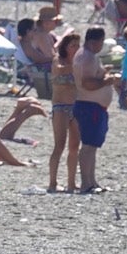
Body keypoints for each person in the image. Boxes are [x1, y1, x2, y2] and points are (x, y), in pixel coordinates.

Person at [72, 27, 115, 194]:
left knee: (92, 146)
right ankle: (86, 183)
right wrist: (107, 81)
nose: (101, 45)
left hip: (91, 106)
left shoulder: (86, 56)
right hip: (90, 106)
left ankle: (91, 181)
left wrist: (104, 73)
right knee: (88, 146)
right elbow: (88, 84)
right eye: (101, 42)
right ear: (94, 41)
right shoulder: (88, 58)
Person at [47, 32, 81, 193]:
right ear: (65, 47)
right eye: (72, 45)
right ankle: (52, 182)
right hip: (60, 107)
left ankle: (71, 182)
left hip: (76, 107)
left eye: (77, 45)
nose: (75, 48)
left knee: (74, 147)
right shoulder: (58, 60)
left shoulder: (80, 63)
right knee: (59, 146)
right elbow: (59, 70)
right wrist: (77, 66)